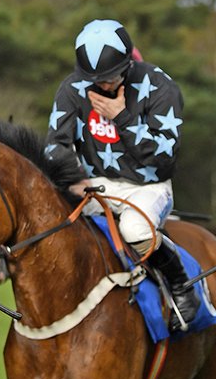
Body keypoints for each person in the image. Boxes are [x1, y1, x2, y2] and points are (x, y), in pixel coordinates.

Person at [43, 19, 200, 331]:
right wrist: (73, 178)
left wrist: (122, 117)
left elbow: (164, 159)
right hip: (94, 183)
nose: (101, 86)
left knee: (135, 230)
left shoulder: (160, 87)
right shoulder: (72, 88)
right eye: (93, 80)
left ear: (128, 63)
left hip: (148, 186)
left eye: (109, 78)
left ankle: (182, 286)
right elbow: (54, 146)